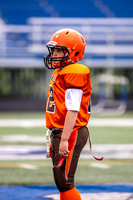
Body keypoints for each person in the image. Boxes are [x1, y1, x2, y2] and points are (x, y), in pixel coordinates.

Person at [44, 28, 92, 200]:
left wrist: (64, 139)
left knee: (65, 181)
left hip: (71, 132)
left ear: (74, 52)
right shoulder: (60, 72)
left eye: (59, 50)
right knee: (61, 181)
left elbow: (73, 109)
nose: (54, 54)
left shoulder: (74, 73)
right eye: (54, 50)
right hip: (63, 130)